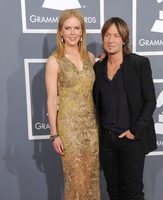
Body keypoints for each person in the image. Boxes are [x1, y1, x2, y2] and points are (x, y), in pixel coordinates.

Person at [93, 17, 157, 200]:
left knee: (133, 192)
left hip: (131, 140)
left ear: (124, 39)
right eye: (107, 35)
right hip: (107, 140)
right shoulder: (98, 68)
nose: (111, 40)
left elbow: (150, 100)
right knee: (113, 191)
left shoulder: (139, 64)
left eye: (116, 35)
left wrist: (134, 131)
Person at [45, 9, 100, 200]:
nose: (72, 32)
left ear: (82, 31)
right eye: (67, 28)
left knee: (92, 178)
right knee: (75, 179)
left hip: (91, 128)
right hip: (69, 128)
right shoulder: (54, 61)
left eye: (77, 28)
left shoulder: (90, 58)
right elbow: (51, 99)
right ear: (60, 31)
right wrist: (54, 134)